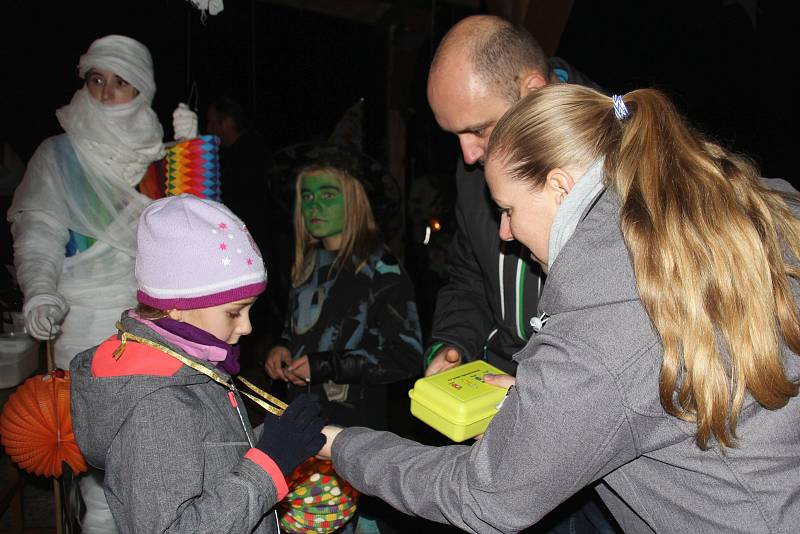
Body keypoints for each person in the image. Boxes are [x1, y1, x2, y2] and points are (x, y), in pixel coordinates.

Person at [318, 84, 800, 533]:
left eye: (507, 209)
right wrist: (556, 404)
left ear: (561, 187)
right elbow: (646, 381)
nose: (504, 232)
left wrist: (345, 447)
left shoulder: (597, 322)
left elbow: (486, 498)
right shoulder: (741, 206)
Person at [6, 34, 197, 532]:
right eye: (97, 80)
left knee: (152, 457)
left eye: (121, 83)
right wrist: (40, 288)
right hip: (85, 327)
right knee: (96, 471)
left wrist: (195, 164)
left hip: (157, 330)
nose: (107, 94)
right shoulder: (59, 156)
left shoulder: (161, 158)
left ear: (143, 91)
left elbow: (199, 242)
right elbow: (39, 232)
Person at [70, 194, 326, 533]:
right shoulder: (157, 406)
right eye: (234, 312)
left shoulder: (191, 359)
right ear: (178, 306)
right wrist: (269, 466)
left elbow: (206, 453)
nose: (247, 327)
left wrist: (276, 439)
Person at [424, 15, 603, 377]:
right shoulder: (477, 167)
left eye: (478, 129)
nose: (468, 156)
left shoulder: (622, 160)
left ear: (532, 92)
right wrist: (453, 342)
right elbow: (467, 276)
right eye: (454, 135)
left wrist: (538, 393)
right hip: (497, 385)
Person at [264, 160, 423, 532]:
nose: (314, 206)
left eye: (328, 194)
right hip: (303, 432)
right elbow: (299, 331)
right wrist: (280, 349)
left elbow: (406, 358)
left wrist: (325, 365)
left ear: (353, 200)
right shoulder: (306, 265)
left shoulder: (380, 269)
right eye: (307, 196)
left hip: (355, 438)